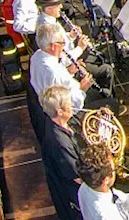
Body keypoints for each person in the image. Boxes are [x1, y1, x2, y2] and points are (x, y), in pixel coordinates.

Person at [40, 85, 84, 220]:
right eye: (69, 104)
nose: (72, 105)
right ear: (59, 112)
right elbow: (79, 178)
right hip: (75, 196)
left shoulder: (60, 122)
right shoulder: (60, 143)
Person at [30, 21, 92, 115]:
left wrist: (69, 71)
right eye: (62, 43)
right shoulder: (55, 72)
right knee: (109, 100)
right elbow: (73, 105)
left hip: (45, 102)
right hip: (64, 111)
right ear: (53, 46)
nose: (63, 47)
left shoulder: (37, 55)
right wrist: (82, 89)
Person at [77, 142, 129, 220]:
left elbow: (122, 202)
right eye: (114, 169)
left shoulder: (86, 186)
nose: (116, 170)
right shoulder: (107, 216)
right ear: (105, 180)